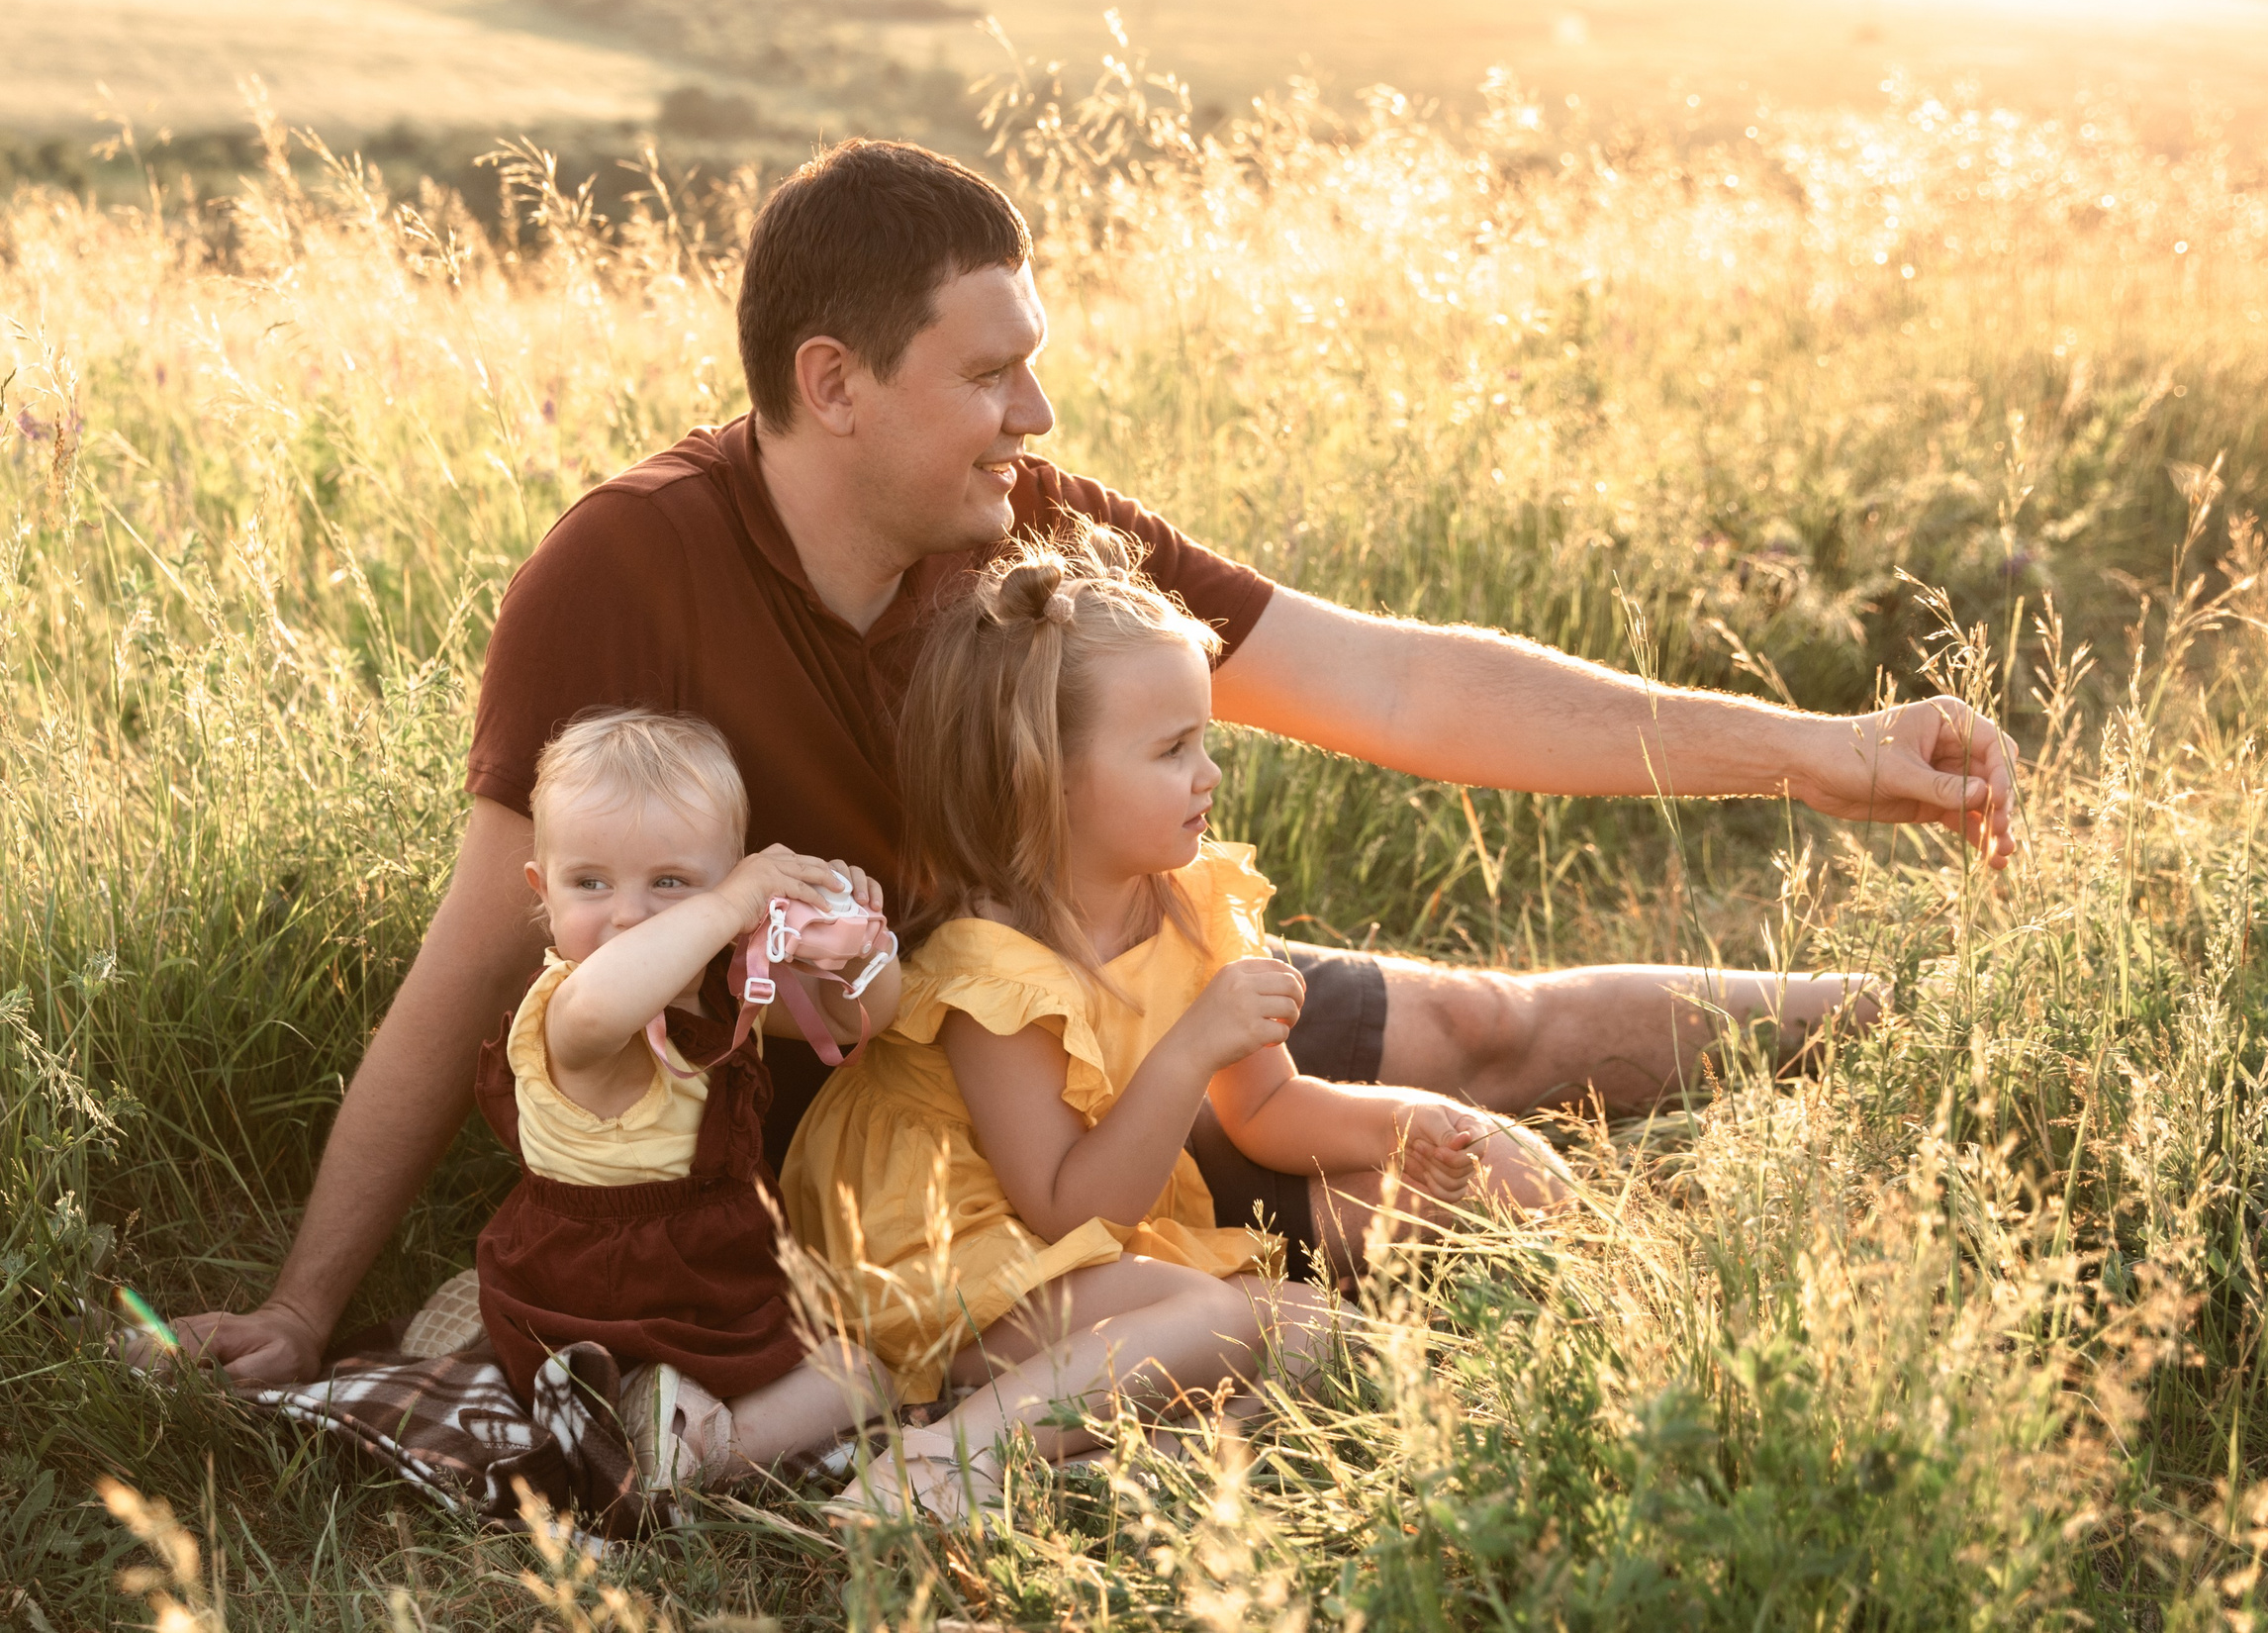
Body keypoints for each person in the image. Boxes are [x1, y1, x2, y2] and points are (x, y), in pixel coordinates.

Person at [174, 138, 2018, 1384]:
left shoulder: (1027, 523)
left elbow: (1401, 684)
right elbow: (471, 961)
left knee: (1485, 1032)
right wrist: (303, 1300)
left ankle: (1911, 1011)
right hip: (908, 1154)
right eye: (990, 375)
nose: (1034, 415)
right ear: (833, 384)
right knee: (1361, 1233)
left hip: (1106, 1021)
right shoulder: (625, 566)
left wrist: (1820, 751)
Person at [781, 531, 1567, 1514]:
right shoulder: (992, 975)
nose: (1209, 776)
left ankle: (1119, 1471)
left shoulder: (1192, 900)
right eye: (1170, 750)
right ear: (1045, 780)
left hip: (1080, 1262)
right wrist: (1193, 1044)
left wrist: (1402, 1132)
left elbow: (1267, 1109)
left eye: (1205, 740)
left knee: (1321, 1327)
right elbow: (1070, 1205)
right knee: (1214, 1320)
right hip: (949, 1262)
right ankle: (942, 1461)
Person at [475, 707, 902, 1488]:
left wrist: (862, 942)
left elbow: (854, 1020)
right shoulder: (571, 1004)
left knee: (869, 1368)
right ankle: (695, 1452)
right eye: (590, 883)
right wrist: (724, 905)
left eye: (669, 882)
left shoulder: (717, 993)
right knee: (855, 1381)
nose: (630, 912)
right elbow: (611, 1006)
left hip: (709, 1283)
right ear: (543, 888)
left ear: (728, 870)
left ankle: (664, 1418)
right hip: (591, 1292)